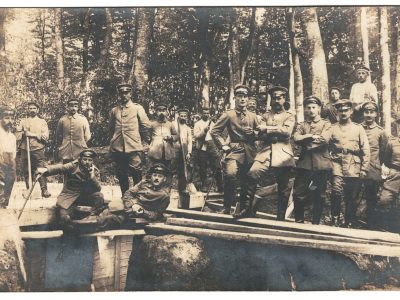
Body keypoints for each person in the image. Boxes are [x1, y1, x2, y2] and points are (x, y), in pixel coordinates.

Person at [246, 86, 295, 220]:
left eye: (279, 98)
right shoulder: (265, 116)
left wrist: (266, 129)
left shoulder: (289, 116)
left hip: (283, 154)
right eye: (274, 98)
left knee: (283, 187)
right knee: (252, 174)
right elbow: (259, 133)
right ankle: (247, 211)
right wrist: (254, 133)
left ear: (284, 99)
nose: (276, 100)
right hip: (266, 152)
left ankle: (280, 218)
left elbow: (286, 133)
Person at [211, 85, 259, 216]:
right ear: (235, 98)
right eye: (239, 96)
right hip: (235, 149)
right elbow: (214, 131)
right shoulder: (228, 114)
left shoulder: (253, 116)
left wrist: (254, 133)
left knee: (247, 179)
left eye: (245, 97)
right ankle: (226, 206)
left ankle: (244, 209)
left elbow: (261, 134)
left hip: (250, 151)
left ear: (248, 99)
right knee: (230, 174)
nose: (242, 99)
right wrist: (223, 146)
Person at [36, 149, 107, 229]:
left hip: (85, 197)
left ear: (92, 161)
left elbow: (98, 188)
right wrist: (46, 170)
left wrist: (92, 177)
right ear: (80, 159)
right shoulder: (74, 165)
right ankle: (72, 232)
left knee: (99, 196)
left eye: (90, 160)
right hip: (69, 197)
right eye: (85, 159)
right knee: (64, 218)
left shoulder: (94, 170)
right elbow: (61, 168)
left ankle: (92, 216)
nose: (87, 162)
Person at [328, 99, 370, 228]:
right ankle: (335, 218)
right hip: (337, 163)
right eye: (340, 110)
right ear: (337, 112)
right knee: (336, 191)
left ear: (351, 111)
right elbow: (326, 146)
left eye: (346, 110)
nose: (343, 112)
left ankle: (349, 220)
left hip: (353, 165)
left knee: (351, 195)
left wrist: (364, 169)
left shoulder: (358, 128)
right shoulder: (332, 127)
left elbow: (366, 150)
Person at [292, 96, 332, 224]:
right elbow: (296, 138)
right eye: (308, 108)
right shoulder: (302, 125)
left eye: (314, 107)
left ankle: (315, 223)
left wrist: (306, 143)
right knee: (298, 193)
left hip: (321, 165)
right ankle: (299, 221)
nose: (311, 110)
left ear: (319, 109)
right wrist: (311, 136)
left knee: (319, 194)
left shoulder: (326, 123)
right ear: (305, 109)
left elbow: (324, 139)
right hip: (304, 164)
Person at [109, 83, 151, 195]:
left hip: (134, 146)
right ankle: (125, 196)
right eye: (121, 93)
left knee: (136, 172)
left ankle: (138, 197)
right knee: (121, 174)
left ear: (130, 94)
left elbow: (145, 125)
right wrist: (113, 141)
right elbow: (111, 127)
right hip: (118, 146)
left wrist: (144, 141)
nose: (124, 95)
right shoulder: (115, 110)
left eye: (126, 93)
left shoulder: (137, 108)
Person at [360, 101, 388, 228]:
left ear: (376, 114)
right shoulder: (358, 128)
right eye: (366, 112)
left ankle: (371, 225)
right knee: (355, 195)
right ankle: (354, 221)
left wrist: (377, 165)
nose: (369, 115)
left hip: (373, 169)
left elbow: (384, 153)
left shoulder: (381, 132)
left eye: (371, 112)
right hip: (357, 167)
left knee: (371, 197)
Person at [16, 101, 51, 197]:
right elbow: (17, 136)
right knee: (26, 170)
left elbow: (45, 137)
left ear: (38, 110)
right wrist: (23, 133)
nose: (32, 110)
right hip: (25, 149)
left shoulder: (42, 122)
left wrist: (33, 135)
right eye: (30, 108)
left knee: (41, 169)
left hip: (38, 149)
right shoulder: (23, 122)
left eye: (34, 108)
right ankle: (29, 190)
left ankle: (44, 190)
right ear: (28, 110)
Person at [193, 107, 223, 193]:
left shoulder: (213, 124)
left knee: (216, 167)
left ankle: (220, 187)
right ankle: (203, 186)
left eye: (207, 113)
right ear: (201, 114)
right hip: (202, 148)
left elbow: (216, 135)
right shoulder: (197, 124)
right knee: (203, 168)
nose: (206, 115)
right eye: (204, 113)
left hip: (212, 148)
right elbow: (196, 136)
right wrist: (204, 130)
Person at [174, 107, 193, 208]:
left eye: (185, 116)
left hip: (184, 150)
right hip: (175, 149)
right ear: (178, 116)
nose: (183, 117)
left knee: (183, 171)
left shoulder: (188, 128)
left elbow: (190, 141)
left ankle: (182, 189)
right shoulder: (174, 125)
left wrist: (189, 152)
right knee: (172, 169)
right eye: (181, 115)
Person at [148, 104, 177, 169]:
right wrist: (152, 143)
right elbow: (148, 136)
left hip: (167, 151)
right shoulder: (152, 124)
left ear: (166, 112)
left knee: (167, 169)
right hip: (155, 151)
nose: (161, 113)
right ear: (156, 112)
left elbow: (176, 135)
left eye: (163, 111)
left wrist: (171, 138)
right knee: (155, 168)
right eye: (159, 110)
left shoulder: (170, 124)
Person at [380, 134, 400, 232]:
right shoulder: (392, 143)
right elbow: (386, 160)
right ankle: (385, 227)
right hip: (394, 174)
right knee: (384, 199)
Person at [0, 106, 16, 208]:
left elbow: (13, 152)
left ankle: (4, 205)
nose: (9, 121)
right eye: (6, 118)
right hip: (1, 159)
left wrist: (12, 162)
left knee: (10, 180)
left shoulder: (12, 136)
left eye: (11, 118)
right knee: (1, 182)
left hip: (10, 160)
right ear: (1, 119)